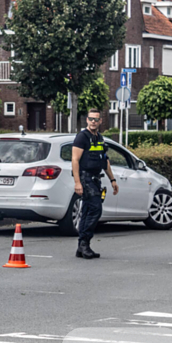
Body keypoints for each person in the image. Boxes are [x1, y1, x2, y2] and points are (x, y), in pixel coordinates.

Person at [70, 109, 118, 259]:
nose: (93, 122)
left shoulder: (99, 138)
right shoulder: (82, 137)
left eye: (96, 119)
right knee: (95, 209)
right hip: (85, 178)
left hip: (95, 178)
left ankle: (82, 246)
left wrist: (112, 180)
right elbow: (75, 160)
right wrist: (77, 182)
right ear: (87, 120)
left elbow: (105, 161)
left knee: (87, 211)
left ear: (100, 121)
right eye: (91, 119)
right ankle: (84, 243)